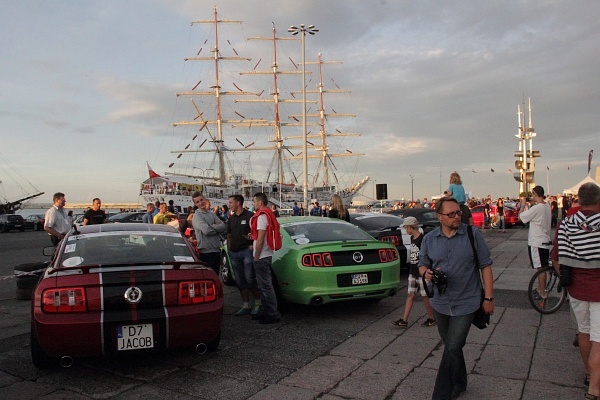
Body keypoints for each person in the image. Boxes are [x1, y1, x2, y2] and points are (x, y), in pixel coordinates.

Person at [419, 197, 494, 399]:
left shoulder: (472, 235)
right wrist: (426, 273)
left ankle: (442, 393)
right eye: (451, 214)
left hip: (467, 301)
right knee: (452, 346)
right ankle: (460, 381)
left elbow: (485, 266)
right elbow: (422, 264)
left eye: (458, 212)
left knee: (452, 345)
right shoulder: (429, 239)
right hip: (441, 301)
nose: (456, 217)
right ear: (439, 216)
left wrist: (488, 298)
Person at [552, 182, 600, 399]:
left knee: (584, 331)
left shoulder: (566, 223)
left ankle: (589, 374)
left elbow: (557, 258)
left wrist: (567, 276)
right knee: (599, 338)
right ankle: (594, 388)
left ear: (578, 200)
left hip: (576, 287)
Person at [392, 216, 436, 328]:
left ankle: (432, 317)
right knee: (410, 294)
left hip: (421, 272)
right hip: (413, 271)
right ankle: (404, 319)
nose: (405, 230)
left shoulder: (422, 239)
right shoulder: (412, 238)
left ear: (410, 227)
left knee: (425, 296)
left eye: (406, 228)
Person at [226, 195, 262, 316]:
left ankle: (258, 302)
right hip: (234, 253)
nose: (229, 205)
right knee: (240, 280)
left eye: (231, 202)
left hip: (246, 251)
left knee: (249, 278)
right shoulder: (231, 219)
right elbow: (229, 234)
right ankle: (246, 305)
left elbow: (257, 233)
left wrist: (253, 244)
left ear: (238, 203)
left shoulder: (250, 216)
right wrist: (229, 249)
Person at [250, 192, 282, 324]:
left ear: (260, 203)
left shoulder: (262, 217)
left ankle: (272, 313)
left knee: (266, 286)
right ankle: (266, 311)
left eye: (254, 202)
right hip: (266, 253)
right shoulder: (269, 215)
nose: (253, 204)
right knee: (263, 285)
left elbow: (261, 237)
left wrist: (256, 256)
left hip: (262, 255)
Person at [518, 185, 552, 301]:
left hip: (536, 241)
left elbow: (521, 217)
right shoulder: (546, 206)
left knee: (540, 268)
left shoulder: (537, 208)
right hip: (544, 239)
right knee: (543, 266)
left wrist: (522, 205)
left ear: (536, 194)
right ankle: (540, 288)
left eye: (532, 194)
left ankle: (542, 291)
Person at [192, 191, 227, 273]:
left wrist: (210, 226)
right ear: (195, 204)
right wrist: (216, 227)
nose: (201, 203)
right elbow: (206, 231)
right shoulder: (197, 216)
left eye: (201, 200)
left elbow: (224, 227)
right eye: (198, 202)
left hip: (216, 250)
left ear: (204, 199)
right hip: (206, 252)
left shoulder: (211, 214)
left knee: (216, 276)